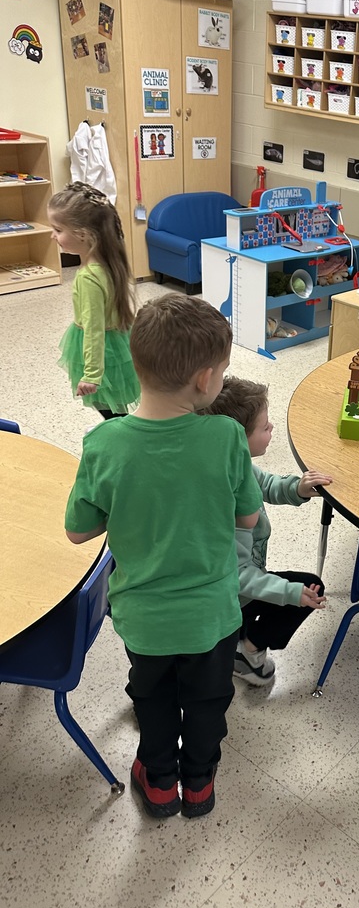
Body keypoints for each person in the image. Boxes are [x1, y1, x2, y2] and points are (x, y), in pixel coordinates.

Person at [64, 295, 262, 819]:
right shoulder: (225, 437)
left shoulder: (103, 442)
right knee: (207, 702)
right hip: (213, 617)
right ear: (204, 379)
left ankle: (157, 783)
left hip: (144, 620)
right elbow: (247, 519)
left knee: (151, 700)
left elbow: (78, 532)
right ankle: (198, 784)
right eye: (222, 371)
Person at [202, 376, 331, 685]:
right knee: (309, 591)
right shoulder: (221, 497)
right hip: (229, 601)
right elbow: (239, 576)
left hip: (245, 585)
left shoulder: (236, 461)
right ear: (237, 438)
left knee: (305, 588)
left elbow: (268, 485)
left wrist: (297, 488)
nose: (271, 428)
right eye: (264, 427)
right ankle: (245, 652)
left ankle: (243, 642)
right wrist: (289, 593)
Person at [49, 181, 140, 420]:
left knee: (109, 407)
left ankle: (121, 437)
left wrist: (91, 374)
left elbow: (93, 329)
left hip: (101, 351)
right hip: (117, 342)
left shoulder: (89, 277)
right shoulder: (109, 263)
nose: (53, 236)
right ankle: (121, 430)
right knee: (116, 404)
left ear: (83, 235)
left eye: (58, 230)